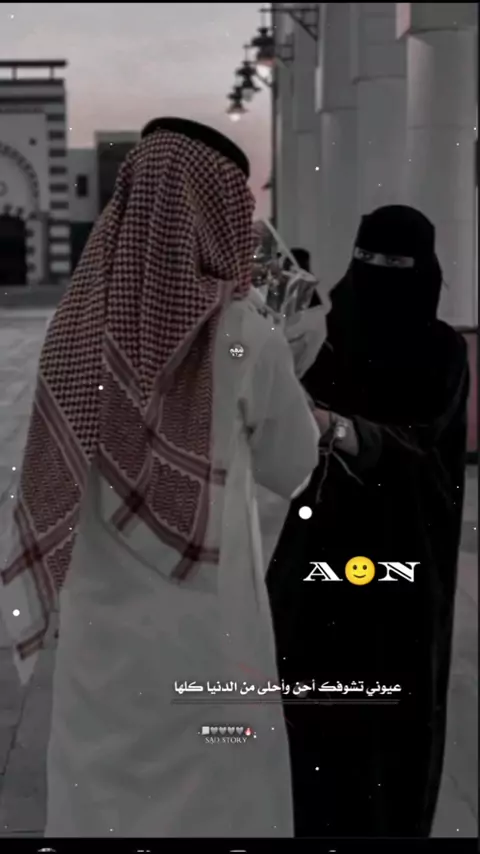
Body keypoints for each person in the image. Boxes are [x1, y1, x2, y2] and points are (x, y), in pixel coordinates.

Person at [0, 118, 320, 837]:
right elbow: (294, 466)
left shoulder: (75, 328)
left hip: (102, 647)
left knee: (99, 805)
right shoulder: (247, 335)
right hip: (209, 632)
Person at [267, 205, 469, 837]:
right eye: (368, 259)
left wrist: (342, 429)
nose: (379, 273)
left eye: (395, 262)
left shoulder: (442, 351)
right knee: (310, 727)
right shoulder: (319, 337)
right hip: (315, 561)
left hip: (402, 567)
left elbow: (426, 447)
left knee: (392, 735)